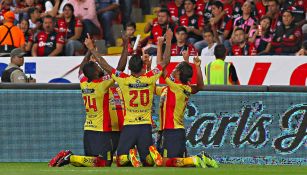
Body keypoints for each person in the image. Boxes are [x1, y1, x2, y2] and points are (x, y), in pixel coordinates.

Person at [85, 29, 173, 167]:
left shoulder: (124, 80)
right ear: (143, 67)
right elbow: (166, 60)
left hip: (129, 125)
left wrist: (91, 49)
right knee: (148, 163)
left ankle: (130, 156)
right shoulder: (150, 78)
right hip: (145, 125)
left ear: (130, 69)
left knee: (120, 160)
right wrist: (168, 41)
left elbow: (105, 65)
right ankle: (152, 153)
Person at [49, 34, 129, 167]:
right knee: (104, 163)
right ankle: (70, 157)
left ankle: (71, 157)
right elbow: (120, 68)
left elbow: (81, 69)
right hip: (101, 130)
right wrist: (125, 46)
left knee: (91, 161)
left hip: (88, 129)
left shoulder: (84, 82)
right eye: (98, 68)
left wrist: (88, 50)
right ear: (96, 74)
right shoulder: (101, 85)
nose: (100, 68)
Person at [153, 52, 218, 168]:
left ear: (178, 73)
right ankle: (199, 159)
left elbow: (161, 67)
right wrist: (195, 65)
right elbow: (199, 86)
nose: (173, 69)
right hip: (173, 131)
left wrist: (160, 45)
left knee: (166, 163)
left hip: (171, 131)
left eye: (176, 68)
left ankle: (196, 159)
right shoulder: (182, 87)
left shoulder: (175, 86)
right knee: (175, 163)